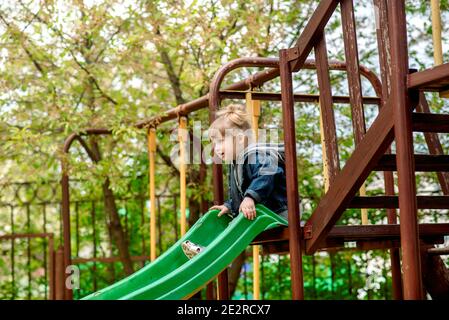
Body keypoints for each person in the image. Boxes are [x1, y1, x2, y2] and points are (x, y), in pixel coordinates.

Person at [208, 104, 288, 221]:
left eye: (221, 141)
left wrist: (250, 197)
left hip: (277, 213)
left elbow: (269, 173)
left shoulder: (254, 155)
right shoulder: (235, 162)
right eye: (215, 143)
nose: (217, 148)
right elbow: (241, 193)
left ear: (240, 139)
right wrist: (229, 206)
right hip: (261, 215)